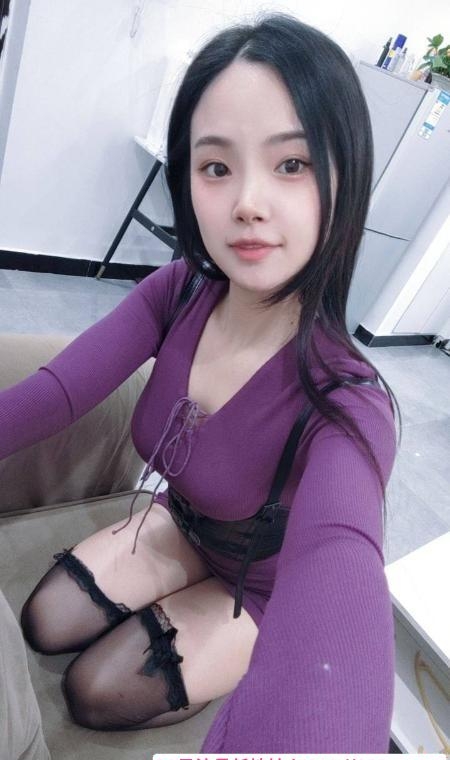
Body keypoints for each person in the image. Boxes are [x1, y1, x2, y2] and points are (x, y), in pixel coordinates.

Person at [0, 12, 401, 753]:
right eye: (216, 166)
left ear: (345, 176)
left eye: (292, 164)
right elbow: (56, 393)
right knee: (44, 619)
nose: (247, 201)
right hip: (182, 522)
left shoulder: (349, 400)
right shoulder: (180, 290)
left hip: (260, 582)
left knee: (99, 690)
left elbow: (341, 570)